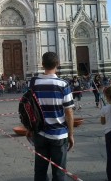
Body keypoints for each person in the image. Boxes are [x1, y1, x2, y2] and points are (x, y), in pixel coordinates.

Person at [29, 52, 75, 181]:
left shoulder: (33, 84)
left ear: (42, 64)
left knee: (40, 172)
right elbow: (69, 112)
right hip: (59, 135)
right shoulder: (63, 84)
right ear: (58, 64)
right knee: (59, 173)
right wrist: (71, 134)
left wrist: (30, 129)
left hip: (39, 134)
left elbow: (30, 109)